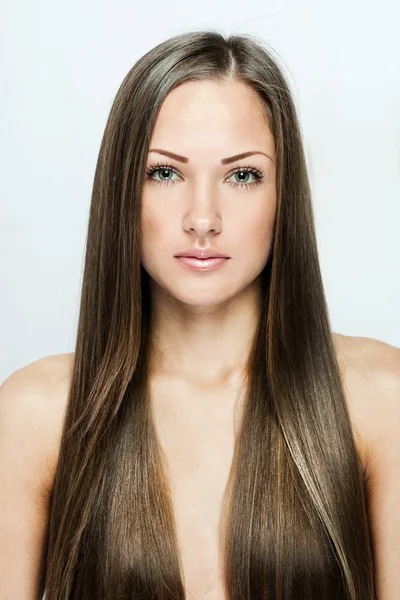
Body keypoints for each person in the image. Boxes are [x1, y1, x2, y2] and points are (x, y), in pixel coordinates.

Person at [0, 29, 399, 600]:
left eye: (242, 175)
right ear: (121, 191)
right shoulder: (37, 414)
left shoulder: (379, 399)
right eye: (164, 172)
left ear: (284, 195)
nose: (203, 217)